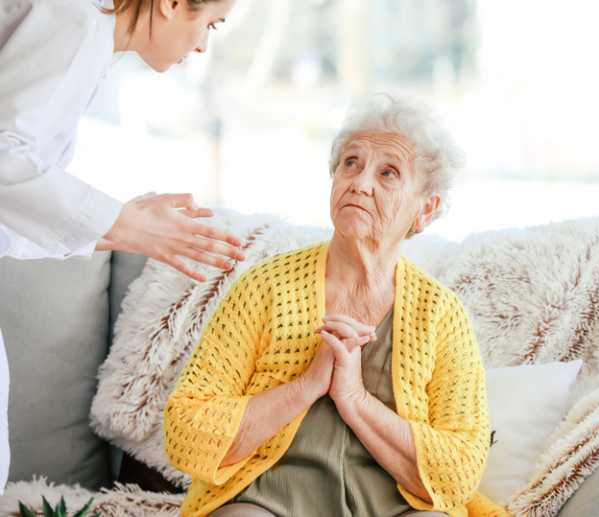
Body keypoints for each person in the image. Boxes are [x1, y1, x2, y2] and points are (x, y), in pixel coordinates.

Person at [164, 93, 507, 517]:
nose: (360, 183)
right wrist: (306, 385)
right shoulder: (265, 287)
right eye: (351, 163)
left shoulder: (442, 315)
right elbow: (185, 430)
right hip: (267, 501)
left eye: (388, 173)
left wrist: (354, 399)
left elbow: (458, 473)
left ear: (425, 209)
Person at [0, 0, 247, 492]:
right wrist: (124, 223)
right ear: (172, 4)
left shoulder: (86, 41)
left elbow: (13, 207)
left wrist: (118, 227)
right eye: (210, 23)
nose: (202, 44)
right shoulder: (74, 20)